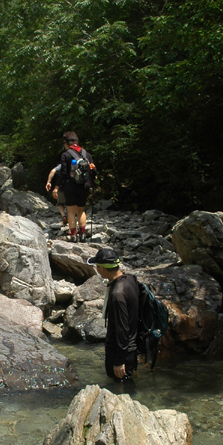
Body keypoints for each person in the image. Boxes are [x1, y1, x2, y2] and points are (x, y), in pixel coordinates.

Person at [87, 248, 139, 381]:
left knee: (120, 387)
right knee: (126, 385)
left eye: (97, 266)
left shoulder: (117, 295)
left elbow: (122, 328)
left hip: (121, 352)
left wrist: (119, 361)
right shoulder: (130, 280)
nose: (97, 270)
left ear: (103, 269)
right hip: (131, 347)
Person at [55, 131, 94, 242]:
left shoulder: (65, 154)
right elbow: (93, 170)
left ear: (66, 142)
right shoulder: (86, 154)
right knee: (81, 210)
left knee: (71, 211)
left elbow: (63, 173)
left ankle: (73, 235)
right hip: (84, 185)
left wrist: (57, 187)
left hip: (70, 186)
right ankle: (82, 235)